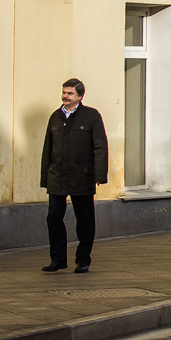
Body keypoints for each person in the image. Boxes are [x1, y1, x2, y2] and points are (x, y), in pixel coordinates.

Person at [40, 78, 108, 273]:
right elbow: (48, 149)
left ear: (79, 96)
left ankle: (83, 259)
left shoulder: (91, 116)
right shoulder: (55, 117)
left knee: (85, 221)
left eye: (69, 93)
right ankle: (58, 259)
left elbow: (100, 146)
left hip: (82, 176)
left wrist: (99, 173)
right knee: (53, 217)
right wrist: (45, 176)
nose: (65, 96)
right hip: (58, 176)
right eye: (64, 92)